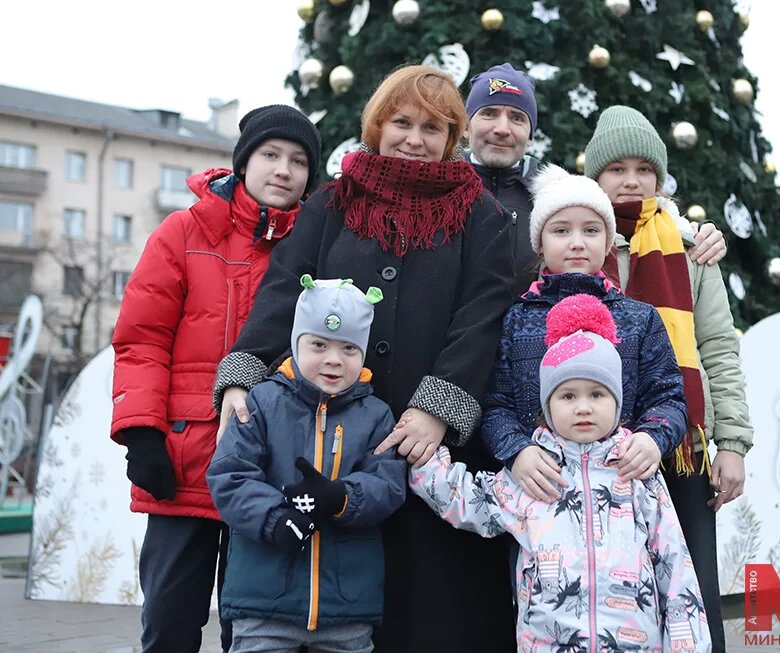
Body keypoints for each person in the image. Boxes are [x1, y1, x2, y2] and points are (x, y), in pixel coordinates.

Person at [213, 65, 517, 652]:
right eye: (401, 122)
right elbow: (284, 291)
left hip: (429, 442)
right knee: (338, 593)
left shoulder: (476, 212)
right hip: (331, 435)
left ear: (451, 136)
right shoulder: (334, 201)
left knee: (434, 604)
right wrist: (241, 375)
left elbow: (485, 313)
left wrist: (439, 407)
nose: (414, 138)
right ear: (377, 126)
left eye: (432, 126)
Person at [110, 104, 321, 653]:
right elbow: (142, 338)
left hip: (267, 471)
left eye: (298, 161)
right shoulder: (183, 231)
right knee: (169, 622)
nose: (283, 170)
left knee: (251, 627)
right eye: (270, 155)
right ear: (243, 162)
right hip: (183, 459)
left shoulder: (313, 249)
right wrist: (141, 431)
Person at [412, 295, 712, 653]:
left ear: (616, 401)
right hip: (548, 643)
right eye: (567, 396)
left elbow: (673, 562)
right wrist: (423, 460)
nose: (583, 407)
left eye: (597, 394)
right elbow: (468, 502)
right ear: (547, 404)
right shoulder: (534, 471)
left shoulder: (635, 470)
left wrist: (686, 643)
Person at [584, 104, 754, 653]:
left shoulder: (691, 250)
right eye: (616, 169)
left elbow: (719, 349)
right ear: (595, 178)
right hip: (599, 447)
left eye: (643, 169)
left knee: (693, 592)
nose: (631, 180)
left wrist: (731, 445)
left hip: (683, 445)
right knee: (617, 594)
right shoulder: (575, 243)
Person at [207, 276, 406, 653]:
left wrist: (343, 497)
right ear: (297, 343)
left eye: (349, 348)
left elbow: (390, 483)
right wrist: (274, 518)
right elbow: (229, 475)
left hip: (344, 607)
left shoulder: (377, 415)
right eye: (319, 344)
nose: (333, 359)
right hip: (264, 602)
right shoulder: (261, 403)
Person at [482, 163, 687, 505]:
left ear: (608, 242)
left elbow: (668, 397)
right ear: (539, 243)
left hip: (622, 497)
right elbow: (495, 403)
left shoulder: (639, 318)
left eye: (591, 231)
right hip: (539, 498)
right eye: (561, 231)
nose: (577, 243)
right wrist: (516, 451)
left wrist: (653, 438)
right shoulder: (516, 319)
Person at [463, 62, 727, 295]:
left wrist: (699, 231)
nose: (501, 128)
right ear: (465, 126)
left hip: (529, 346)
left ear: (531, 134)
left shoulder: (555, 197)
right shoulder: (436, 190)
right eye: (489, 113)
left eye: (517, 118)